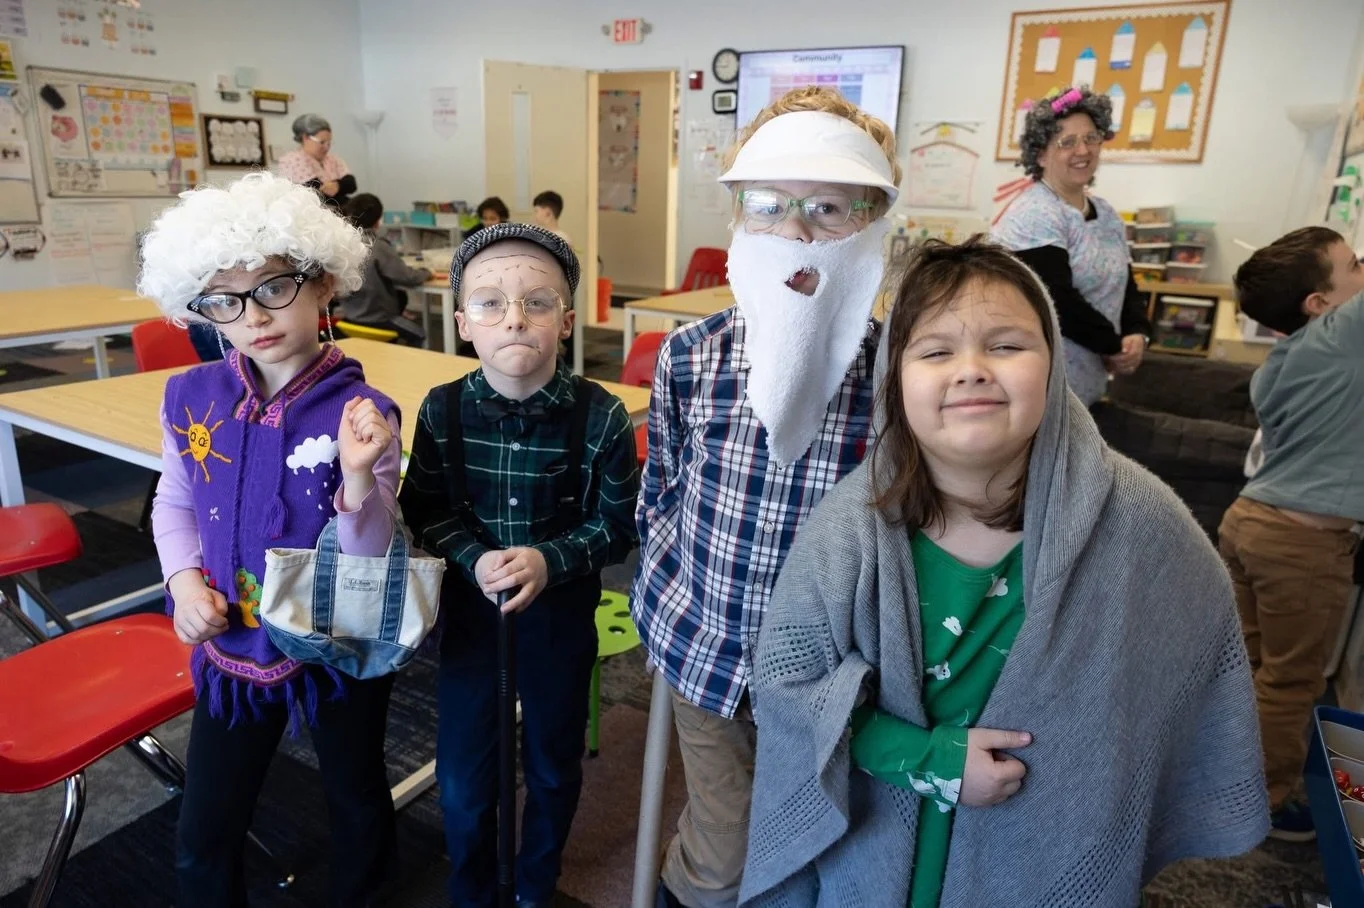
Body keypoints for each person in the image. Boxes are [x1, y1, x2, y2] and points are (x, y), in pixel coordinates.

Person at [740, 237, 1269, 907]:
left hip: (1057, 844)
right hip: (887, 841)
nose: (971, 370)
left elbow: (1202, 648)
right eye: (935, 352)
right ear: (893, 383)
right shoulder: (850, 532)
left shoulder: (1137, 519)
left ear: (1054, 365)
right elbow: (789, 689)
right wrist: (928, 759)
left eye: (1007, 345)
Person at [631, 86, 900, 908]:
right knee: (726, 850)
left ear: (875, 218)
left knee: (825, 841)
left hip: (836, 676)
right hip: (706, 648)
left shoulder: (897, 375)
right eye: (771, 206)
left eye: (829, 209)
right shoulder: (691, 358)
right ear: (740, 215)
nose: (797, 232)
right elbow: (663, 488)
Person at [137, 172, 403, 907]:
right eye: (225, 299)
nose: (253, 316)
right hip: (234, 640)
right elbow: (176, 498)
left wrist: (357, 480)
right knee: (207, 826)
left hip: (335, 641)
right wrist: (183, 582)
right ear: (202, 307)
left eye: (275, 287)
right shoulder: (190, 396)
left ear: (323, 287)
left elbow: (373, 554)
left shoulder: (362, 410)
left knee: (355, 796)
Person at [398, 223, 638, 908]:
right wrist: (475, 559)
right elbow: (427, 508)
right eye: (490, 303)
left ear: (567, 321)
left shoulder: (603, 416)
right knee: (464, 779)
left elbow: (618, 526)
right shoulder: (441, 409)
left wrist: (546, 559)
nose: (514, 318)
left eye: (537, 302)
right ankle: (470, 888)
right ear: (463, 323)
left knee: (553, 766)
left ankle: (537, 882)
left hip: (560, 617)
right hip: (471, 620)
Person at [1217, 226, 1364, 842]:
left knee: (1255, 670)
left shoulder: (1281, 363)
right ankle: (1266, 804)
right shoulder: (1339, 338)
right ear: (1319, 304)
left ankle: (1228, 783)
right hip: (1302, 544)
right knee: (1290, 681)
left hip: (1249, 525)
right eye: (1353, 265)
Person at [992, 87, 1152, 407]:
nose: (1083, 150)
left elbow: (1126, 282)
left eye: (1091, 138)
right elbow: (1056, 301)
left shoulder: (1106, 214)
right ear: (1040, 154)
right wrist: (1114, 346)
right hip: (1040, 387)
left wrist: (1138, 332)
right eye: (1067, 142)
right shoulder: (1035, 214)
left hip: (1087, 383)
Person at [342, 192, 432, 346]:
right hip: (378, 318)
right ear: (378, 221)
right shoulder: (378, 246)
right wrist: (427, 273)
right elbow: (407, 277)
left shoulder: (343, 244)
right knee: (420, 334)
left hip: (349, 316)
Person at [275, 113, 357, 207]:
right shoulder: (291, 160)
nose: (326, 147)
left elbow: (351, 183)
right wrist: (340, 185)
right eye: (322, 142)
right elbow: (317, 191)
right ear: (306, 138)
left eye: (329, 143)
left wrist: (337, 185)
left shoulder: (333, 159)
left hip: (340, 208)